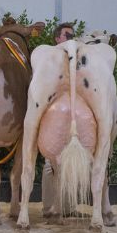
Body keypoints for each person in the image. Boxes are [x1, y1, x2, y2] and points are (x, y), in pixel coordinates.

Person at [42, 22, 76, 218]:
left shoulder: (75, 57)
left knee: (69, 162)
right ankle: (48, 208)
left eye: (72, 35)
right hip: (53, 116)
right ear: (57, 39)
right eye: (67, 35)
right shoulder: (48, 57)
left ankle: (67, 206)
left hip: (72, 114)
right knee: (50, 162)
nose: (71, 38)